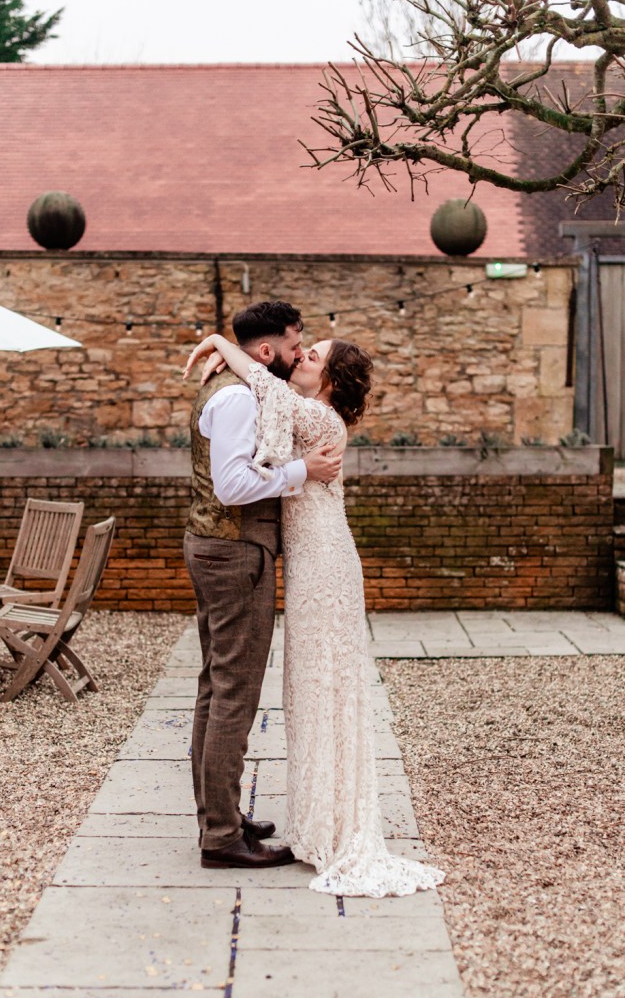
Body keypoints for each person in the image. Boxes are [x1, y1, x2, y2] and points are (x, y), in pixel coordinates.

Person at [184, 330, 445, 897]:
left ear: (329, 378)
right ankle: (307, 814)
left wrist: (215, 343)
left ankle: (332, 821)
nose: (302, 355)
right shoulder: (309, 413)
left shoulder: (321, 421)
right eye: (303, 347)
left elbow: (260, 378)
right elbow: (263, 384)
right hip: (310, 565)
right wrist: (226, 348)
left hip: (324, 568)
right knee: (310, 688)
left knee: (323, 686)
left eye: (315, 354)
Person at [183, 300, 343, 871]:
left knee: (215, 685)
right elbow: (233, 485)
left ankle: (218, 815)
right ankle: (222, 836)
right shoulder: (235, 397)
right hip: (234, 551)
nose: (302, 354)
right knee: (233, 693)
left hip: (220, 548)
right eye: (297, 345)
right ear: (268, 351)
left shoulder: (244, 387)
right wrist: (302, 473)